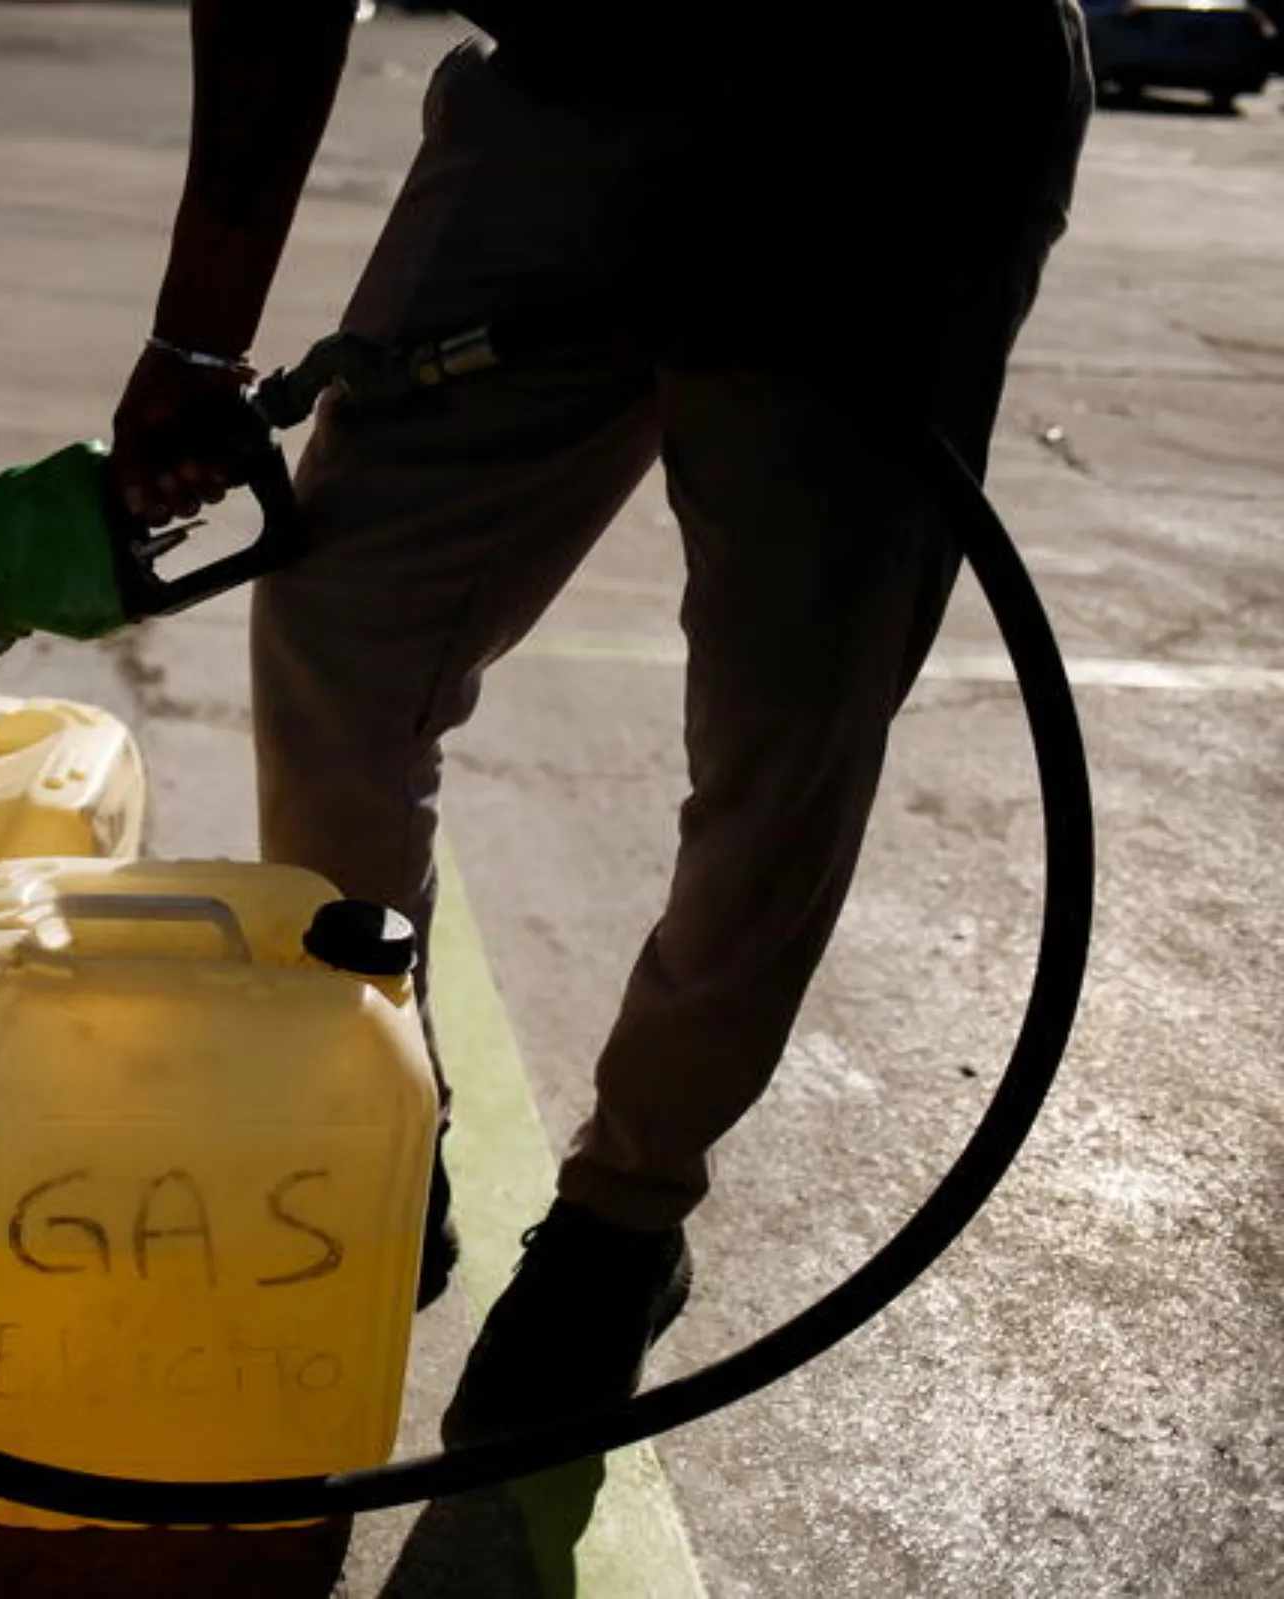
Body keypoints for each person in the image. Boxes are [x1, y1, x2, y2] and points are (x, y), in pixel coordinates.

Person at [106, 1, 1092, 1443]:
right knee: (345, 622)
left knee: (785, 709)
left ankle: (623, 1220)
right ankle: (376, 1119)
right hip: (576, 76)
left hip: (902, 89)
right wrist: (198, 345)